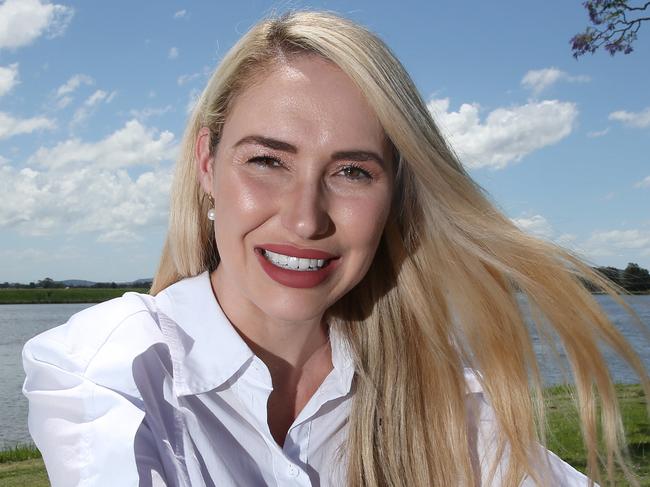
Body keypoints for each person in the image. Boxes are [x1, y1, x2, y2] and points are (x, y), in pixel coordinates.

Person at [22, 10, 648, 487]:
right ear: (208, 164)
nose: (304, 220)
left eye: (352, 172)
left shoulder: (436, 393)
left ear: (396, 194)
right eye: (267, 160)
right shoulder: (112, 374)